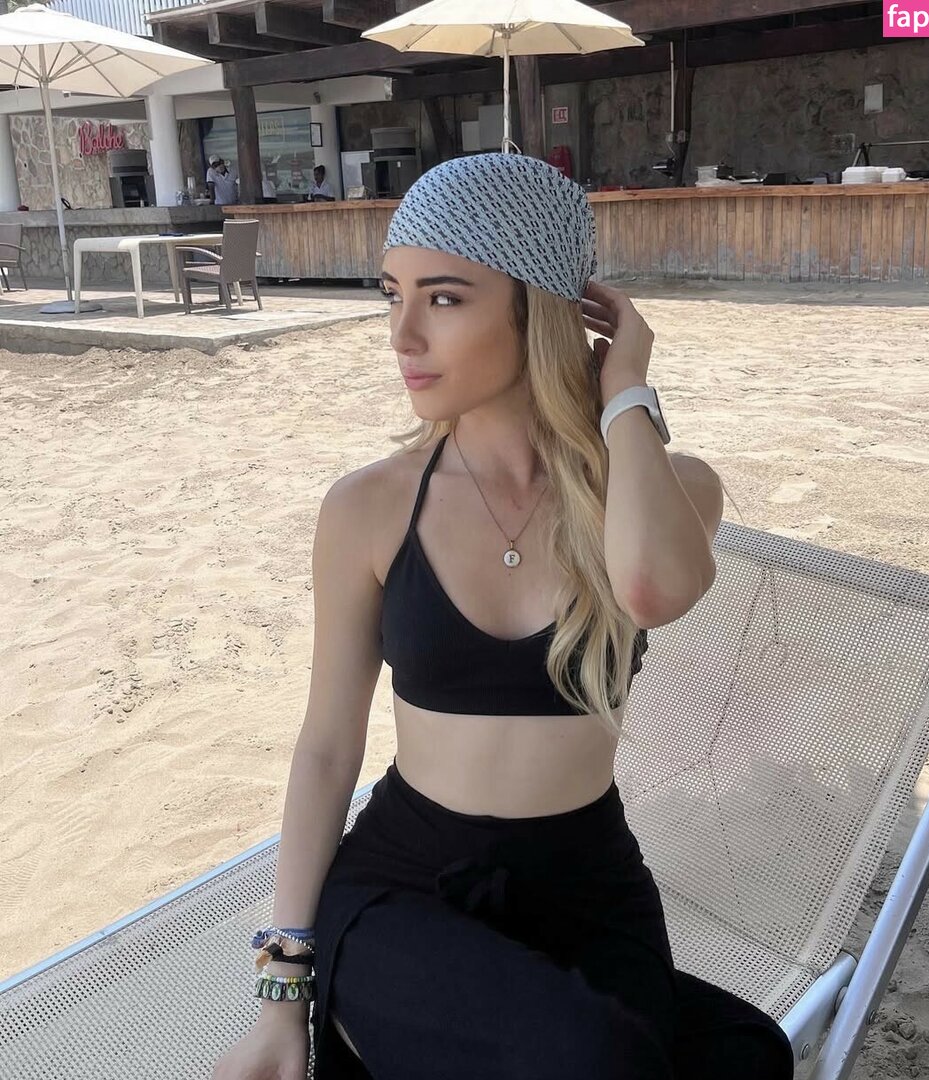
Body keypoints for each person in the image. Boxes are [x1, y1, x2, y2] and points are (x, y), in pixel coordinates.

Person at [210, 153, 794, 1080]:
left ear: (537, 311)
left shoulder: (671, 492)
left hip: (587, 884)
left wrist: (624, 390)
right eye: (391, 295)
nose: (402, 335)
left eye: (443, 298)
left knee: (745, 1054)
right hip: (405, 882)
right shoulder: (370, 506)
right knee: (593, 1057)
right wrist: (283, 991)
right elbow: (325, 747)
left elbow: (652, 591)